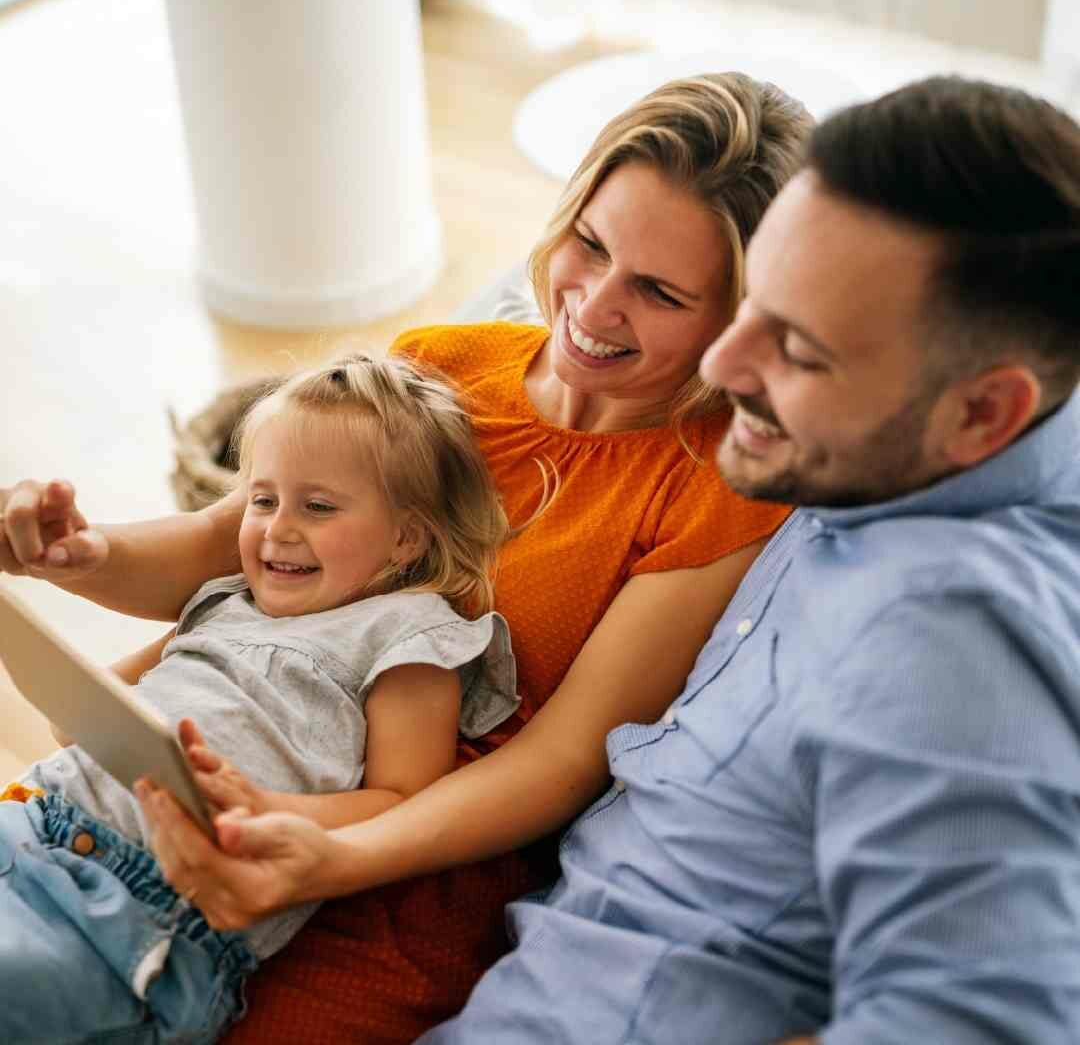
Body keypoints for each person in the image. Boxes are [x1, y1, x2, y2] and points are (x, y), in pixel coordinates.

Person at [0, 73, 808, 1040]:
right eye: (590, 244)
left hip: (405, 867)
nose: (593, 304)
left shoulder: (713, 486)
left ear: (738, 321)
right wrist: (77, 555)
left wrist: (336, 859)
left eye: (661, 292)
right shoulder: (443, 367)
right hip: (191, 788)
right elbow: (230, 543)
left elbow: (561, 760)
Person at [385, 75, 1079, 1042]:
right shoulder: (887, 428)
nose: (720, 364)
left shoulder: (953, 638)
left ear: (979, 416)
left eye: (795, 348)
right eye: (753, 304)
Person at [0, 351, 519, 1043]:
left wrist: (271, 809)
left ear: (407, 536)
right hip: (34, 823)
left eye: (319, 506)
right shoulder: (225, 600)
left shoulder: (411, 632)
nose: (277, 529)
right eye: (263, 500)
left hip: (143, 913)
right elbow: (83, 722)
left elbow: (403, 802)